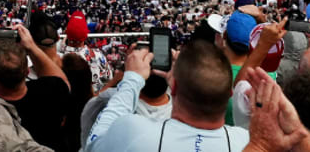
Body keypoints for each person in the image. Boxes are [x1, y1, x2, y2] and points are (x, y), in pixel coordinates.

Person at [91, 40, 244, 152]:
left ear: (174, 86)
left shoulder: (134, 133)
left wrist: (132, 79)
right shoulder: (246, 142)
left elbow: (94, 143)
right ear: (230, 93)